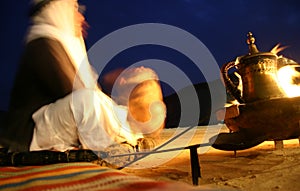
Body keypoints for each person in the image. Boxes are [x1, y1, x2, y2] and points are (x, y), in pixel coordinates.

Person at [0, 0, 166, 153]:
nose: (80, 18)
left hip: (52, 122)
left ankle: (126, 135)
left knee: (109, 108)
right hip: (30, 132)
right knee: (88, 101)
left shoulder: (59, 45)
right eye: (75, 10)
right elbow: (70, 92)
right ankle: (107, 147)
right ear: (60, 12)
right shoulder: (43, 45)